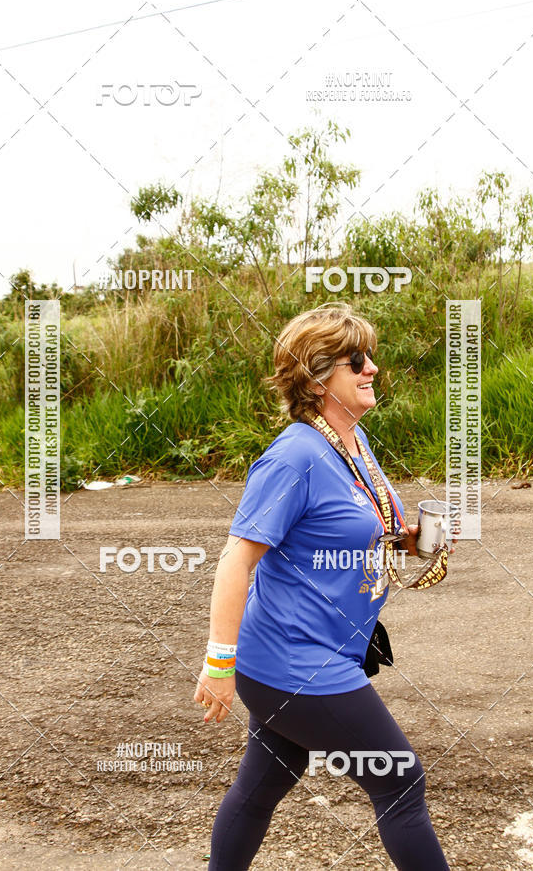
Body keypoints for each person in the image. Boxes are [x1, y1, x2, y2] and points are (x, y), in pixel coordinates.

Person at [194, 303, 451, 870]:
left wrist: (408, 543)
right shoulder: (295, 456)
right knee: (399, 780)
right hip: (296, 663)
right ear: (316, 380)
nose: (371, 368)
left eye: (370, 357)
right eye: (355, 360)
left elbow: (352, 528)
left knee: (260, 788)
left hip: (319, 655)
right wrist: (218, 664)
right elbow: (237, 559)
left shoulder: (351, 442)